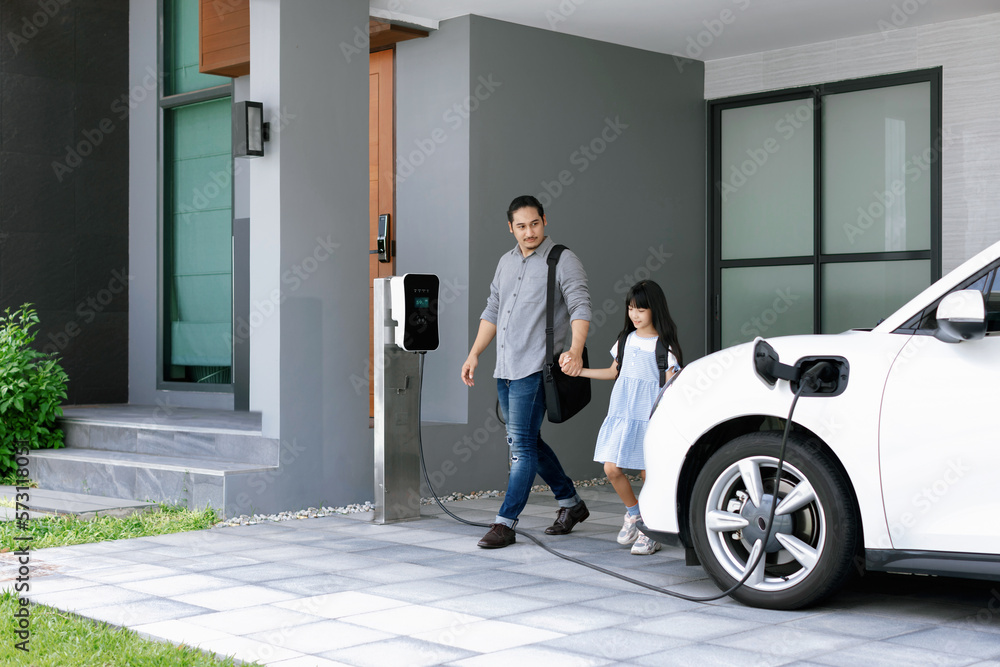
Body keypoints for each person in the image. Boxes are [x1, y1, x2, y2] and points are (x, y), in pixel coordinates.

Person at [461, 195, 592, 549]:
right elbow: (492, 309)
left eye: (534, 223)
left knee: (520, 447)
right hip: (505, 367)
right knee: (527, 442)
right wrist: (474, 354)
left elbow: (581, 306)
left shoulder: (562, 260)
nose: (529, 231)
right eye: (521, 226)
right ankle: (571, 504)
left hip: (536, 368)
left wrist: (575, 351)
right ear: (511, 228)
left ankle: (505, 523)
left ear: (544, 221)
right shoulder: (505, 262)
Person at [579, 280, 682, 555]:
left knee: (650, 475)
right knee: (611, 468)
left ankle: (651, 529)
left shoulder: (664, 346)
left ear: (654, 310)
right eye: (631, 308)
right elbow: (614, 372)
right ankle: (634, 514)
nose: (634, 315)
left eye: (641, 309)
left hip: (649, 419)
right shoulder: (625, 340)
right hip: (623, 414)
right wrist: (581, 372)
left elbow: (672, 388)